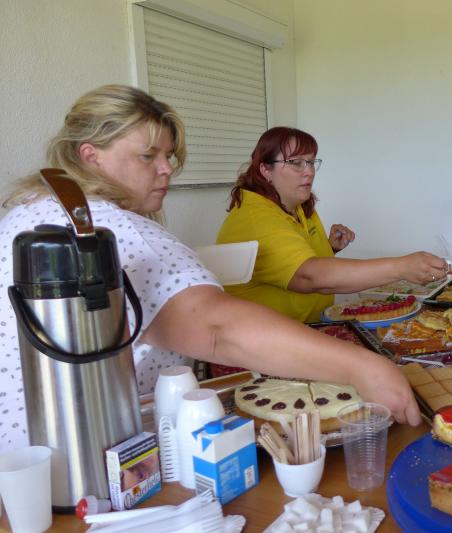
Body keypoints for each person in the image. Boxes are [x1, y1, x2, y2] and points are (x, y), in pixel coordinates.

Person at [0, 85, 420, 452]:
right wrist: (364, 366)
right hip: (83, 454)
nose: (167, 168)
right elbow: (218, 329)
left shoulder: (30, 212)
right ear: (90, 156)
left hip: (19, 455)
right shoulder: (118, 230)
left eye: (169, 155)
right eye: (148, 156)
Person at [216, 126, 448, 323]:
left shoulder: (297, 205)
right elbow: (310, 277)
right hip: (265, 342)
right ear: (266, 169)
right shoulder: (257, 217)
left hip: (311, 327)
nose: (308, 172)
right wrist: (402, 267)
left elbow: (293, 263)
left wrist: (329, 249)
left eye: (311, 162)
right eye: (296, 163)